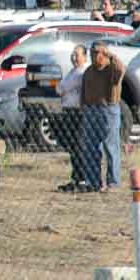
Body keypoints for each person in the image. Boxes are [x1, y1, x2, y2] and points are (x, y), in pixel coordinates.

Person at [77, 41, 127, 192]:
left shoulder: (112, 69)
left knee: (110, 146)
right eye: (92, 53)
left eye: (98, 53)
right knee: (90, 147)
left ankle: (113, 182)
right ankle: (93, 181)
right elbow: (83, 92)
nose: (94, 56)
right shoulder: (89, 72)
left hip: (108, 109)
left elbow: (121, 69)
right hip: (91, 109)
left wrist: (110, 54)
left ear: (104, 54)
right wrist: (83, 107)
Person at [53, 45, 89, 192]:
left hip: (78, 113)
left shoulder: (83, 71)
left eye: (77, 55)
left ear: (85, 56)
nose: (74, 58)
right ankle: (76, 177)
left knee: (79, 146)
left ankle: (82, 178)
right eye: (72, 55)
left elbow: (62, 88)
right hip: (69, 110)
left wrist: (63, 88)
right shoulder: (73, 71)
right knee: (73, 147)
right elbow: (59, 88)